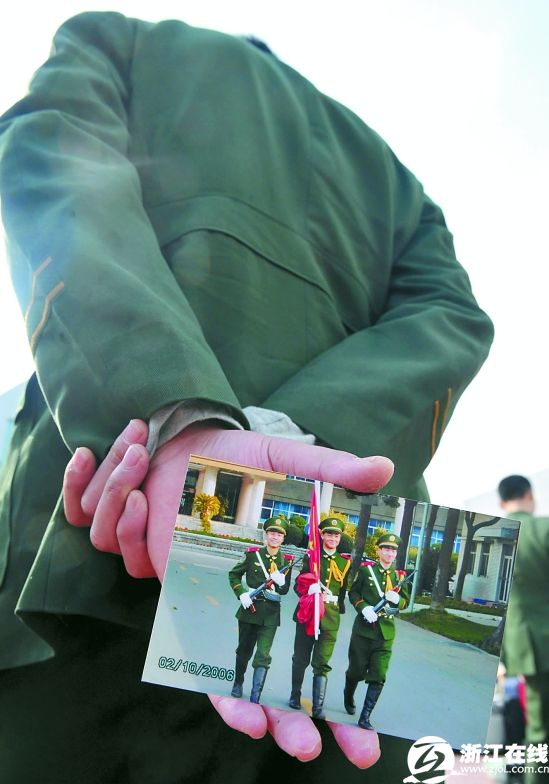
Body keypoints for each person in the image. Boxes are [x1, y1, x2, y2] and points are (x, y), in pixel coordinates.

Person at [0, 10, 493, 784]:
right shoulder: (388, 173)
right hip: (354, 545)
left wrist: (177, 420)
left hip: (107, 530)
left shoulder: (123, 43)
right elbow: (452, 314)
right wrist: (296, 435)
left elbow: (50, 157)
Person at [498, 475, 549, 784]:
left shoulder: (509, 534)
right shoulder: (544, 529)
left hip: (526, 648)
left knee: (539, 730)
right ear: (530, 495)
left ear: (502, 503)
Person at [344, 533, 410, 730]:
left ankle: (365, 716)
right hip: (363, 631)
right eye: (386, 549)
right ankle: (348, 693)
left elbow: (405, 602)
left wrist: (398, 600)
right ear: (379, 551)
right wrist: (363, 607)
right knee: (356, 671)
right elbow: (353, 592)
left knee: (379, 674)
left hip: (385, 633)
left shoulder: (399, 577)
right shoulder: (367, 572)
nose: (389, 553)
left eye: (393, 550)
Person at [289, 516, 351, 719]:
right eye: (329, 534)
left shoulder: (345, 562)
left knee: (322, 662)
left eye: (336, 535)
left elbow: (342, 591)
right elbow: (299, 584)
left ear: (340, 538)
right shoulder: (312, 557)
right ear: (322, 535)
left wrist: (336, 608)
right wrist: (309, 590)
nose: (333, 538)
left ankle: (317, 707)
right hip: (308, 613)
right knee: (300, 658)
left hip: (330, 617)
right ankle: (295, 695)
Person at [228, 516, 295, 702]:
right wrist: (241, 593)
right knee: (244, 650)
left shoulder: (287, 561)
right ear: (266, 535)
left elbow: (284, 590)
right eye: (272, 533)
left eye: (279, 535)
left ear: (283, 538)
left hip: (270, 615)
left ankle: (255, 695)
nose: (275, 537)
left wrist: (281, 583)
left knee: (263, 654)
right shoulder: (253, 555)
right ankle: (238, 682)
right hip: (250, 609)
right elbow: (233, 575)